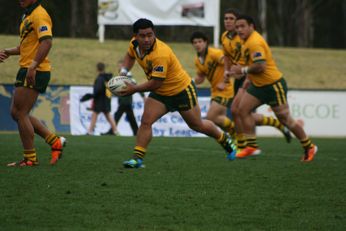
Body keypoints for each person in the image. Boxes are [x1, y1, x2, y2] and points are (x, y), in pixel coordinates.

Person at [117, 18, 237, 168]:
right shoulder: (134, 44)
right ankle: (137, 159)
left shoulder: (161, 53)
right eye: (143, 36)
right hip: (160, 93)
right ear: (135, 36)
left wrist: (134, 89)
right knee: (146, 121)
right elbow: (129, 55)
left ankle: (223, 139)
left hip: (181, 91)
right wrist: (123, 71)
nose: (147, 39)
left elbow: (156, 82)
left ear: (154, 33)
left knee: (197, 125)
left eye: (150, 35)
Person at [230, 15, 317, 161]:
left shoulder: (255, 42)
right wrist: (245, 78)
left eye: (242, 26)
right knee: (241, 110)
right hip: (258, 86)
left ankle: (309, 146)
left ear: (252, 27)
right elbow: (250, 66)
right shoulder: (245, 42)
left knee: (286, 120)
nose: (239, 29)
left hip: (273, 85)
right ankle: (251, 146)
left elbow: (260, 66)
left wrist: (243, 71)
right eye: (237, 27)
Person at [0, 0, 66, 166]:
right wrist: (8, 52)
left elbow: (47, 42)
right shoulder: (27, 15)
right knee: (18, 113)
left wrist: (33, 66)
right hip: (28, 67)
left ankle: (30, 158)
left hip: (35, 69)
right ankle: (54, 142)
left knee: (20, 113)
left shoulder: (39, 15)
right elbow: (26, 46)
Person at [222, 8, 291, 152]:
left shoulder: (243, 39)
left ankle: (244, 146)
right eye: (225, 18)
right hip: (238, 76)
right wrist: (227, 72)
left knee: (238, 110)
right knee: (238, 111)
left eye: (231, 19)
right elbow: (227, 56)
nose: (228, 21)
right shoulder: (224, 37)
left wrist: (245, 73)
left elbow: (254, 61)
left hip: (248, 76)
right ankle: (275, 124)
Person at [190, 31, 235, 135]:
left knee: (211, 117)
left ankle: (237, 132)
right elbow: (200, 78)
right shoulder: (198, 60)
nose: (197, 44)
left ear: (205, 42)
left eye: (200, 41)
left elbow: (229, 64)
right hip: (215, 91)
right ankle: (237, 141)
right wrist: (189, 82)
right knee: (220, 121)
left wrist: (225, 81)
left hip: (225, 89)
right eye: (195, 42)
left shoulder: (214, 53)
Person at [104, 59, 145, 136]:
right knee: (130, 118)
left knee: (118, 116)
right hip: (125, 101)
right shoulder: (120, 76)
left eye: (120, 65)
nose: (119, 67)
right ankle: (136, 132)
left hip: (125, 101)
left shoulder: (127, 75)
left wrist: (143, 96)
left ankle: (112, 131)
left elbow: (134, 84)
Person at [87, 62, 118, 135]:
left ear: (97, 69)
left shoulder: (100, 78)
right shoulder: (108, 78)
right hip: (107, 99)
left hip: (99, 99)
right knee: (108, 115)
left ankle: (90, 131)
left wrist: (94, 96)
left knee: (95, 114)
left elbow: (98, 89)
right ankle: (116, 131)